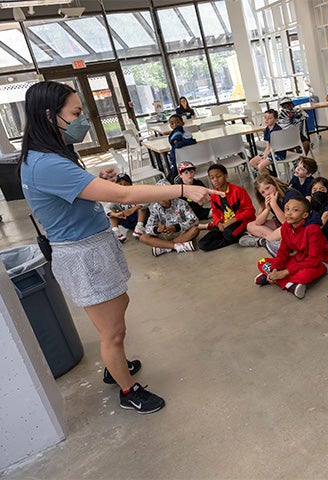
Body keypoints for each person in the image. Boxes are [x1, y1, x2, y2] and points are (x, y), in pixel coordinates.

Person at [19, 81, 216, 414]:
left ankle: (116, 366)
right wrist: (180, 189)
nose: (82, 121)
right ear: (50, 115)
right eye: (76, 113)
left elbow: (80, 193)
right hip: (82, 253)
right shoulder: (46, 163)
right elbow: (123, 196)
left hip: (91, 245)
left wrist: (98, 178)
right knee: (112, 331)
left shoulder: (49, 154)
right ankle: (128, 390)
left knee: (118, 306)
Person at [255, 196, 328, 299]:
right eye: (287, 209)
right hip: (300, 258)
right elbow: (283, 251)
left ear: (304, 215)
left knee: (303, 276)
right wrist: (276, 269)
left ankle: (273, 278)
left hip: (320, 260)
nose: (288, 213)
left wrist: (285, 272)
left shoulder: (313, 229)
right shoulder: (286, 227)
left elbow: (314, 259)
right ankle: (290, 285)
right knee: (261, 262)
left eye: (295, 210)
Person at [197, 163, 256, 252]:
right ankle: (233, 238)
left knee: (228, 234)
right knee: (202, 244)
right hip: (224, 224)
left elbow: (250, 211)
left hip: (242, 221)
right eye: (212, 178)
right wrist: (218, 223)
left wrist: (232, 220)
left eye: (218, 176)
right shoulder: (213, 195)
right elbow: (215, 212)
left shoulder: (238, 191)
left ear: (226, 175)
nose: (215, 180)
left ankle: (236, 235)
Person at [139, 180, 201, 256]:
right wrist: (157, 229)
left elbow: (194, 220)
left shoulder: (181, 203)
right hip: (165, 235)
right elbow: (148, 228)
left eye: (165, 195)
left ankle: (164, 247)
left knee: (195, 230)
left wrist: (176, 227)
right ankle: (176, 246)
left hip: (182, 233)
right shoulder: (155, 207)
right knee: (143, 237)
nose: (163, 199)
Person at [240, 174, 301, 248]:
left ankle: (265, 240)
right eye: (263, 192)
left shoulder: (289, 194)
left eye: (268, 188)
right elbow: (258, 222)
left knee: (272, 236)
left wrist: (274, 204)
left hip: (296, 225)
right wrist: (267, 209)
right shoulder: (267, 199)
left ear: (274, 184)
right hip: (281, 224)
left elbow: (287, 222)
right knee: (250, 226)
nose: (267, 193)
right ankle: (277, 240)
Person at [104, 172, 147, 242]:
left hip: (139, 218)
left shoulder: (136, 193)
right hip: (126, 219)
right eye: (120, 184)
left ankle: (139, 227)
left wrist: (134, 209)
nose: (123, 186)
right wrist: (116, 214)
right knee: (111, 213)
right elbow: (106, 208)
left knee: (142, 207)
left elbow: (147, 200)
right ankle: (116, 232)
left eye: (126, 184)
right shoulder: (116, 198)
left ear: (131, 185)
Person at [249, 109, 287, 175]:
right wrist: (264, 156)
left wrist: (264, 158)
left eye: (269, 118)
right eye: (265, 117)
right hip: (270, 151)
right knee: (252, 162)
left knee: (260, 166)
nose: (266, 120)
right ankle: (270, 175)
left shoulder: (277, 130)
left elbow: (271, 148)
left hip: (278, 153)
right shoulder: (266, 130)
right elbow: (268, 146)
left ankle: (269, 179)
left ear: (276, 120)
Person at [167, 114, 196, 178]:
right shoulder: (185, 134)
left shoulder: (183, 134)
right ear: (170, 126)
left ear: (182, 123)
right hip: (191, 161)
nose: (175, 125)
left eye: (177, 122)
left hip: (181, 162)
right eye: (172, 123)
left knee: (172, 173)